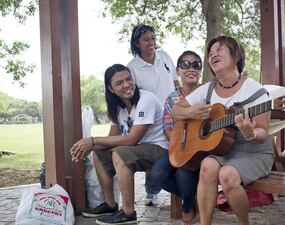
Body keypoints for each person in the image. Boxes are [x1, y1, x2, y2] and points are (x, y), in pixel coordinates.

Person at [171, 36, 274, 225]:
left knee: (226, 175)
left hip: (254, 151)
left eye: (219, 50)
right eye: (210, 53)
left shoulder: (255, 91)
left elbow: (262, 133)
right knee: (207, 167)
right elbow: (176, 111)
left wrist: (249, 132)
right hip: (225, 149)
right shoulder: (208, 89)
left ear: (235, 56)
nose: (213, 55)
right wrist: (193, 111)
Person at [70, 64, 168, 224]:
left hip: (160, 149)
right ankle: (110, 204)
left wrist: (93, 140)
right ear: (111, 88)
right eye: (119, 83)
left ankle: (128, 212)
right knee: (100, 152)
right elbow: (112, 137)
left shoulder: (146, 99)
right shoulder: (118, 106)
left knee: (120, 153)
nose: (126, 84)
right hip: (139, 150)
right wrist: (90, 146)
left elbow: (132, 139)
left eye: (128, 79)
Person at [127, 24, 178, 205]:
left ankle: (180, 191)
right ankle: (152, 190)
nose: (151, 42)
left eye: (153, 38)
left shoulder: (164, 57)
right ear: (137, 43)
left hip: (173, 112)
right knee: (154, 148)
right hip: (152, 116)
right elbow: (133, 95)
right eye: (146, 39)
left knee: (177, 147)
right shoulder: (132, 67)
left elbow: (175, 82)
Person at [149, 50, 202, 225]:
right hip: (178, 147)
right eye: (185, 65)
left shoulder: (208, 94)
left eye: (196, 64)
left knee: (183, 172)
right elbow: (168, 129)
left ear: (201, 70)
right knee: (156, 175)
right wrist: (183, 144)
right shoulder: (172, 98)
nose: (191, 68)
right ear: (178, 71)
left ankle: (187, 206)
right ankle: (192, 197)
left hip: (203, 150)